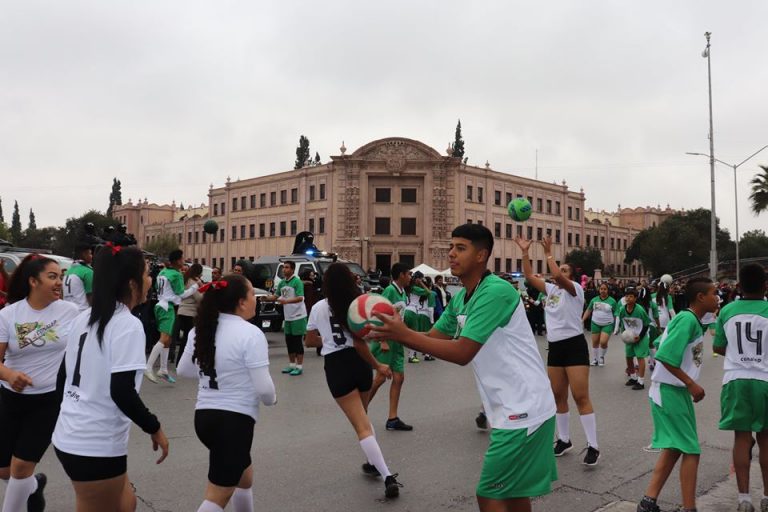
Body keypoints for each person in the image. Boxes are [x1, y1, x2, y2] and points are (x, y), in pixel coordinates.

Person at [371, 224, 557, 512]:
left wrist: (402, 334)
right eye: (451, 247)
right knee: (512, 493)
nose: (451, 254)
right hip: (512, 407)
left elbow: (463, 352)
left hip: (524, 409)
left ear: (481, 255)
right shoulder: (461, 297)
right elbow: (432, 338)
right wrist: (394, 330)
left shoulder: (496, 291)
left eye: (461, 248)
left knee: (489, 494)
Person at [52, 244, 169, 511]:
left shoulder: (84, 318)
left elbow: (63, 378)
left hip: (72, 435)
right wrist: (154, 427)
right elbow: (122, 392)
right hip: (93, 444)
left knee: (126, 503)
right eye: (148, 273)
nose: (151, 280)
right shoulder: (127, 325)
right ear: (132, 283)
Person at [178, 274, 277, 512]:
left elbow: (184, 370)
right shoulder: (250, 333)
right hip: (233, 422)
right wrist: (272, 399)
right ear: (241, 302)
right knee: (217, 496)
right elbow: (265, 389)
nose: (256, 298)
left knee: (244, 477)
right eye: (252, 294)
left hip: (204, 417)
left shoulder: (200, 330)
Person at [304, 263, 403, 499]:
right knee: (364, 419)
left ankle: (387, 475)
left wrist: (327, 340)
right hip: (359, 364)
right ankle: (371, 462)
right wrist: (377, 365)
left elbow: (309, 341)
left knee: (361, 426)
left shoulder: (318, 307)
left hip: (336, 366)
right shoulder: (356, 304)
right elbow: (361, 341)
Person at [0, 254, 79, 511]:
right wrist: (10, 375)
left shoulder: (70, 312)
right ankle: (33, 486)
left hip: (48, 400)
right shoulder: (9, 314)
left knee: (21, 467)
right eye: (52, 276)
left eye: (61, 277)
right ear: (33, 281)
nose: (59, 283)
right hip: (9, 399)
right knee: (5, 471)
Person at [636, 277, 719, 512]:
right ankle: (689, 508)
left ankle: (647, 502)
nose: (718, 297)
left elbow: (661, 342)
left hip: (673, 390)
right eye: (714, 293)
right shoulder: (686, 319)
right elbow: (665, 355)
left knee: (674, 448)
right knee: (691, 450)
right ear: (701, 297)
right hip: (670, 390)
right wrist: (691, 383)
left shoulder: (690, 320)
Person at [516, 235, 599, 466]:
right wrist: (525, 252)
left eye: (564, 269)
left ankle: (593, 445)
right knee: (557, 396)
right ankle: (564, 439)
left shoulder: (575, 290)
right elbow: (530, 277)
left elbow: (557, 276)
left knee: (580, 396)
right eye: (559, 268)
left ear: (570, 275)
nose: (559, 271)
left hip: (574, 345)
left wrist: (549, 252)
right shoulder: (551, 291)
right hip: (556, 346)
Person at [713, 264, 768, 512]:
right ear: (765, 285)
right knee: (766, 439)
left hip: (736, 379)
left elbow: (718, 347)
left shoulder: (727, 310)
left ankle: (744, 499)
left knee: (741, 439)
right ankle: (766, 496)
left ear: (739, 287)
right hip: (765, 379)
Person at [369, 262, 413, 431]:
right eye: (408, 274)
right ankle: (360, 408)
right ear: (401, 275)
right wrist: (383, 341)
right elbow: (379, 314)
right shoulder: (390, 291)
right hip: (386, 340)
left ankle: (392, 418)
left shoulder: (402, 292)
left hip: (397, 340)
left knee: (399, 378)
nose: (410, 277)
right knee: (380, 378)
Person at [145, 249, 199, 384]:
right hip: (167, 307)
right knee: (164, 339)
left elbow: (161, 289)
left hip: (160, 305)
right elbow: (181, 294)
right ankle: (148, 367)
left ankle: (163, 369)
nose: (184, 260)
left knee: (167, 339)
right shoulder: (176, 274)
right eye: (182, 258)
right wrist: (195, 287)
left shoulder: (163, 272)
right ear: (177, 260)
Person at [616, 288, 652, 390]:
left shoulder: (640, 310)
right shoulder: (622, 309)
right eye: (626, 296)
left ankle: (641, 382)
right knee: (628, 357)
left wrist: (639, 336)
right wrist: (623, 334)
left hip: (641, 336)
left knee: (640, 357)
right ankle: (633, 377)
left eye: (631, 296)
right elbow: (623, 322)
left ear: (635, 298)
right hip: (629, 337)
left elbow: (646, 324)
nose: (628, 298)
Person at [173, 263, 204, 364]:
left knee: (184, 338)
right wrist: (203, 291)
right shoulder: (193, 282)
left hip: (182, 311)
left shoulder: (185, 279)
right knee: (188, 338)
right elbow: (198, 298)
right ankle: (182, 361)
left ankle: (179, 360)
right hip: (190, 313)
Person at [582, 283, 618, 367]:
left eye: (605, 289)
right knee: (595, 342)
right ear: (599, 290)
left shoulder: (612, 301)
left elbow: (616, 313)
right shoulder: (594, 300)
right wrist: (582, 319)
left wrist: (617, 326)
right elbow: (588, 310)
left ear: (608, 290)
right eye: (601, 289)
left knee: (603, 342)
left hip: (607, 324)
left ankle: (601, 357)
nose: (603, 291)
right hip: (595, 323)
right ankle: (595, 359)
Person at [405, 272, 434, 363]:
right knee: (414, 335)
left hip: (406, 310)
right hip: (413, 311)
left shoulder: (408, 287)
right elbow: (428, 292)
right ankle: (411, 356)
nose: (422, 281)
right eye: (421, 279)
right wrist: (421, 283)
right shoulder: (415, 288)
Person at [62, 243, 94, 312]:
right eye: (90, 253)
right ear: (84, 254)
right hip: (83, 313)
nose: (92, 256)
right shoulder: (88, 271)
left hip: (67, 312)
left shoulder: (68, 272)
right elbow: (90, 296)